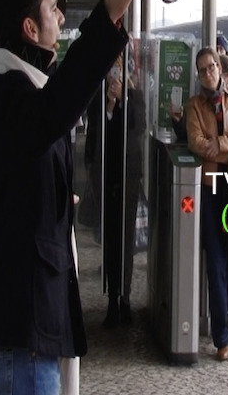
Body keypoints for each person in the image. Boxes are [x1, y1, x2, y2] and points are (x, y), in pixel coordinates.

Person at [0, 0, 154, 394]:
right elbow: (56, 108)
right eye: (52, 8)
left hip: (17, 335)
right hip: (14, 342)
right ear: (29, 27)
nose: (61, 16)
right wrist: (107, 14)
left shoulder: (7, 92)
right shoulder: (6, 92)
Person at [185, 48, 228, 361]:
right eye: (203, 70)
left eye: (212, 66)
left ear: (220, 69)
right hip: (211, 191)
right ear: (199, 76)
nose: (209, 72)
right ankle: (221, 338)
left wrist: (221, 145)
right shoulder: (195, 107)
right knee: (216, 264)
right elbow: (196, 143)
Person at [85, 55, 145, 328]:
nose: (115, 75)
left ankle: (126, 299)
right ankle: (111, 299)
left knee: (126, 238)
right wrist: (110, 105)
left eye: (119, 69)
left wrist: (125, 99)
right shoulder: (98, 95)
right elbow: (95, 131)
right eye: (111, 70)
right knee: (110, 237)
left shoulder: (137, 95)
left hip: (128, 175)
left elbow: (138, 126)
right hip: (106, 173)